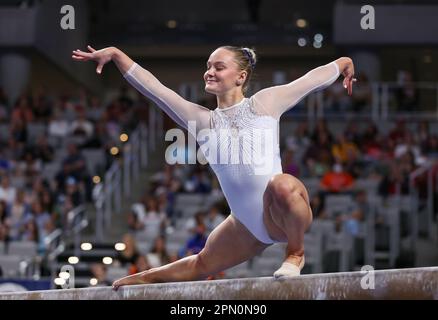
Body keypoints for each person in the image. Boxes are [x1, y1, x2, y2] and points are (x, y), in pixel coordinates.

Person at [72, 45, 356, 288]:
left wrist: (342, 64)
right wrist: (117, 55)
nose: (209, 71)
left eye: (219, 67)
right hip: (245, 226)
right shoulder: (202, 120)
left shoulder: (265, 103)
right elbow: (154, 89)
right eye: (208, 66)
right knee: (201, 263)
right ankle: (145, 279)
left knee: (281, 184)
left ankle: (295, 254)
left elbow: (308, 81)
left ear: (240, 77)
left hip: (283, 210)